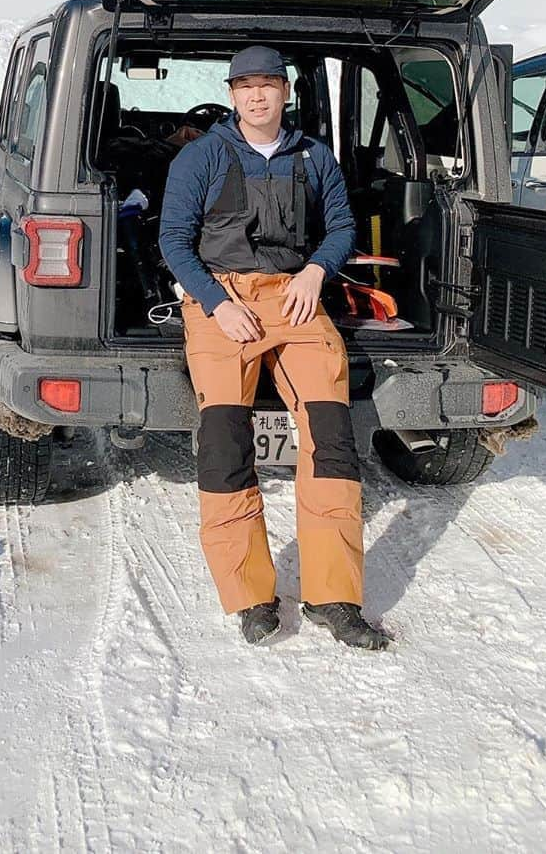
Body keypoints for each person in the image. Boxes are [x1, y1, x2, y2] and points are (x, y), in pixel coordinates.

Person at [159, 46, 389, 651]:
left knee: (333, 439)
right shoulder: (201, 156)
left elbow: (340, 225)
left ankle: (334, 597)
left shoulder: (314, 157)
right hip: (223, 303)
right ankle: (251, 596)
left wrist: (316, 273)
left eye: (269, 85)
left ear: (285, 92)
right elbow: (174, 239)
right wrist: (215, 302)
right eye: (246, 86)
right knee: (224, 442)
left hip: (295, 296)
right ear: (231, 94)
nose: (257, 96)